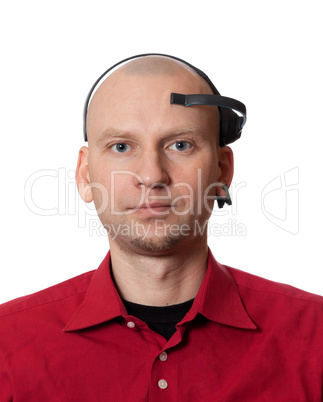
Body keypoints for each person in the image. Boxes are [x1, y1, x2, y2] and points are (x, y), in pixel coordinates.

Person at [0, 54, 322, 401]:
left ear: (222, 170)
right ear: (84, 175)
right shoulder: (8, 343)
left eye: (180, 145)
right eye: (121, 146)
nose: (152, 175)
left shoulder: (315, 337)